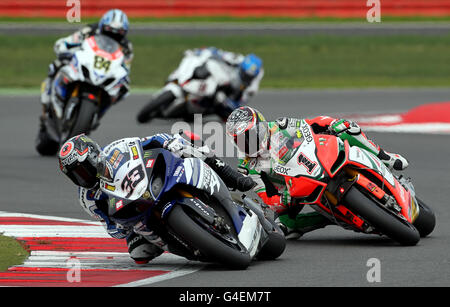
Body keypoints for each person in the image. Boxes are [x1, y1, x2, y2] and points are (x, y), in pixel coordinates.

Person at [58, 132, 254, 264]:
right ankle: (194, 247)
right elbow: (108, 226)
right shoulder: (87, 198)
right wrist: (119, 228)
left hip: (154, 182)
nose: (81, 177)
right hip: (136, 214)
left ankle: (231, 176)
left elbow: (152, 139)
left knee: (188, 142)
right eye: (75, 175)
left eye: (83, 170)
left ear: (94, 156)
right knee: (138, 254)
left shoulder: (116, 148)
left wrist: (170, 143)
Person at [225, 106, 409, 239]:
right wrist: (282, 201)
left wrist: (333, 124)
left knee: (348, 129)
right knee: (286, 226)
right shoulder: (247, 167)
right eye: (241, 140)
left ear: (262, 126)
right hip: (295, 190)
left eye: (251, 135)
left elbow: (312, 124)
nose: (248, 143)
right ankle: (328, 218)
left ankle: (384, 156)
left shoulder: (280, 125)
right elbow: (266, 197)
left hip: (317, 160)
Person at [40, 9, 133, 131]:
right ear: (102, 26)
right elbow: (69, 41)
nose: (113, 36)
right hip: (85, 62)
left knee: (122, 91)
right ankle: (47, 104)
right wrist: (64, 48)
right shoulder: (90, 30)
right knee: (55, 65)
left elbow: (126, 67)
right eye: (109, 31)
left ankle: (97, 115)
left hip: (105, 73)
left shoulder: (127, 47)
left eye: (118, 33)